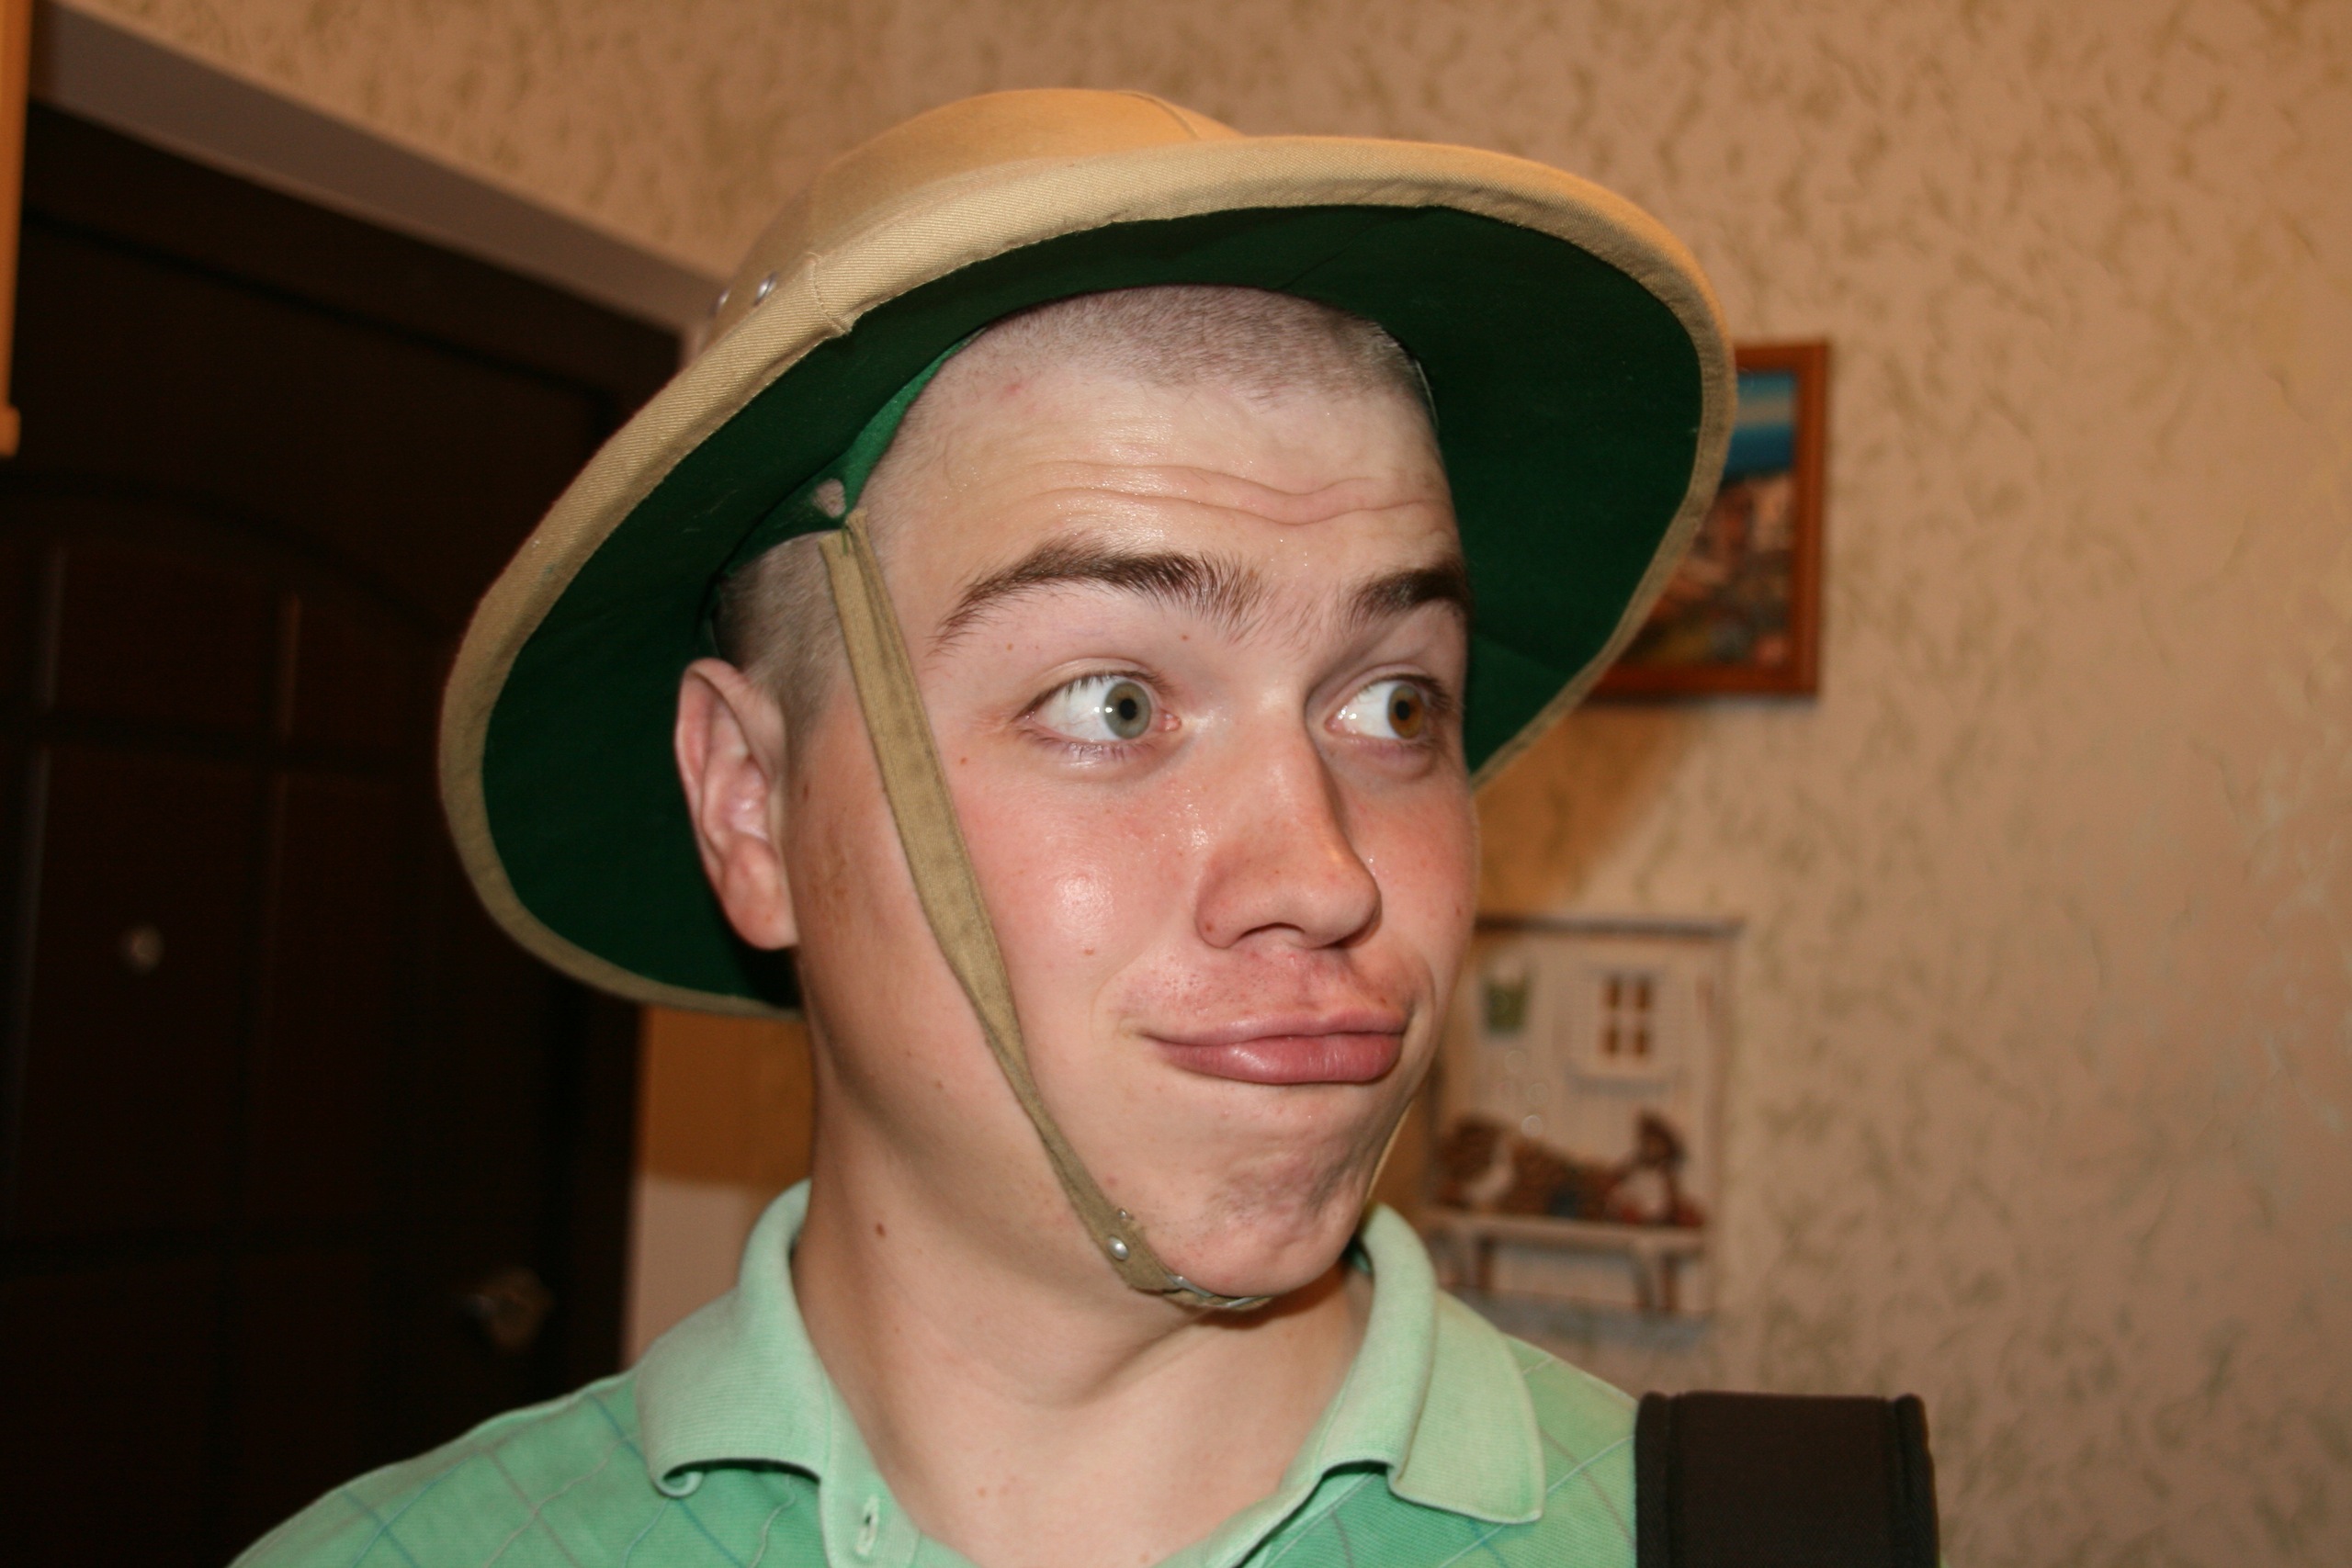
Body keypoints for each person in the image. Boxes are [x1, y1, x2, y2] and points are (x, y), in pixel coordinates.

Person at [241, 88, 1732, 1567]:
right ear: (751, 804)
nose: (1325, 876)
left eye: (1397, 704)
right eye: (1114, 705)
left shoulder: (1716, 1539)